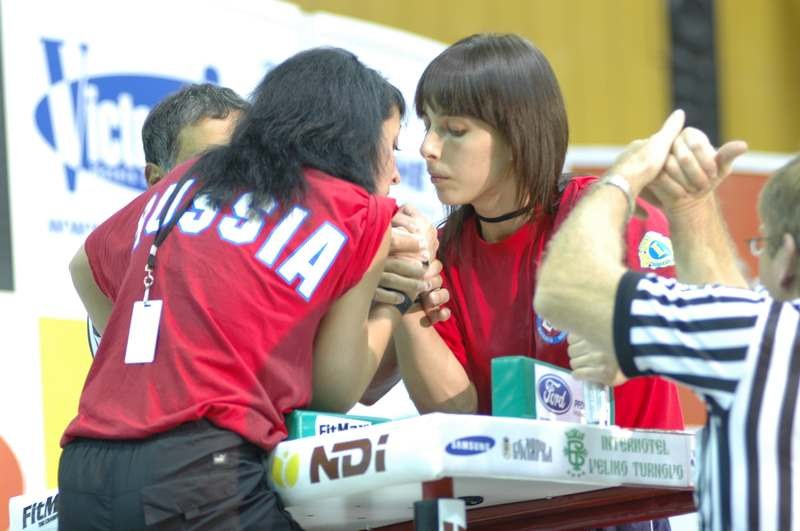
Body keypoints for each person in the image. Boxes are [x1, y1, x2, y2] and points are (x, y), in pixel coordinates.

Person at [60, 47, 419, 530]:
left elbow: (85, 263)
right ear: (355, 138)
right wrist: (398, 298)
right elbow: (333, 392)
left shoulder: (192, 177)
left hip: (86, 471)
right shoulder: (361, 214)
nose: (396, 171)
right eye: (391, 146)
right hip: (200, 470)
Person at [534, 110, 798, 530]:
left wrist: (622, 179)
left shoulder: (763, 334)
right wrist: (690, 205)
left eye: (761, 243)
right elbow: (729, 307)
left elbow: (561, 286)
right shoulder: (762, 333)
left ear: (787, 255)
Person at [87, 83, 250, 355]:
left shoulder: (283, 260)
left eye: (246, 161)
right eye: (210, 165)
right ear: (157, 181)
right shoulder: (121, 280)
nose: (235, 179)